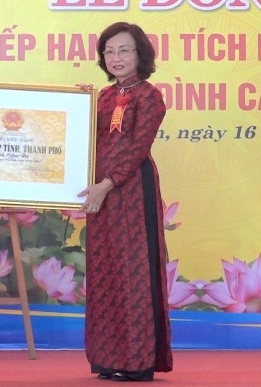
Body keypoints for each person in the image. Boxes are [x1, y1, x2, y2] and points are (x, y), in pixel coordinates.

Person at [77, 22, 173, 381]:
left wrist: (107, 184)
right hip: (101, 193)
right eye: (110, 51)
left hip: (132, 191)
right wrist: (77, 105)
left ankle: (137, 361)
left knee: (134, 274)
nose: (116, 58)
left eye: (124, 50)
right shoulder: (101, 96)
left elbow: (136, 148)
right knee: (106, 272)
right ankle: (107, 358)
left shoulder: (150, 96)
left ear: (140, 54)